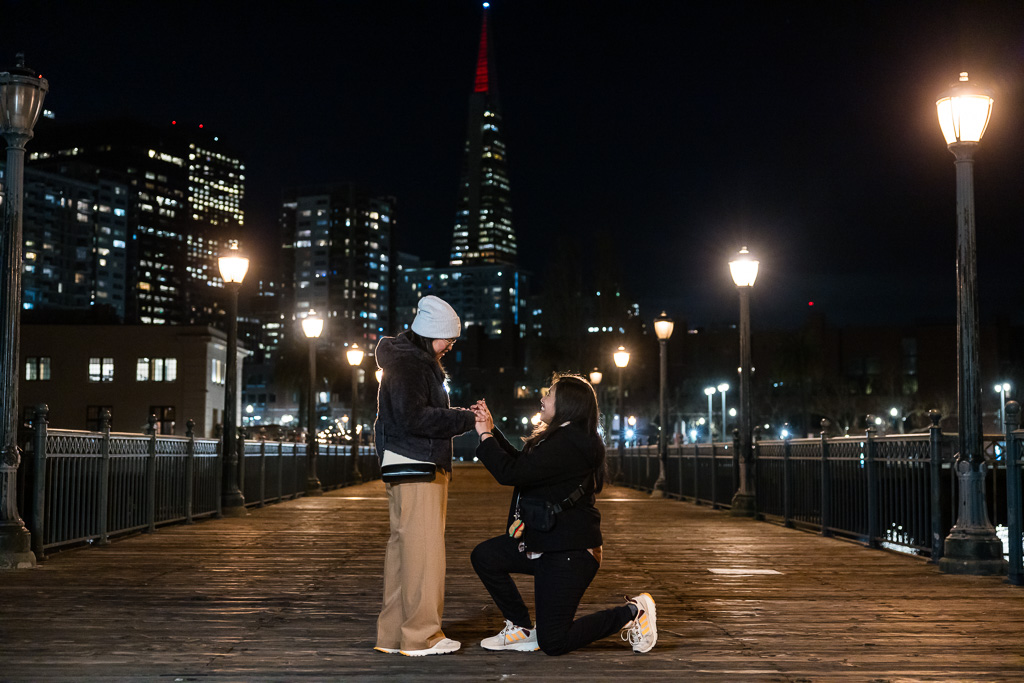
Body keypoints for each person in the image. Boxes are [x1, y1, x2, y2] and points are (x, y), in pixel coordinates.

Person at [469, 373, 658, 656]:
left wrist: (485, 434)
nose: (542, 399)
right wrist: (492, 431)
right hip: (547, 542)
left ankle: (634, 612)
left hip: (571, 552)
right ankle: (520, 627)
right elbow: (523, 465)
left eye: (549, 395)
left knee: (553, 642)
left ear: (567, 404)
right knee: (486, 556)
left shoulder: (570, 443)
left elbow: (511, 473)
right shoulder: (564, 438)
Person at [372, 295, 477, 657]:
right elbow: (415, 418)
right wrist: (466, 419)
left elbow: (408, 415)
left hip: (402, 463)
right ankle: (422, 636)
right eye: (449, 339)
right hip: (419, 465)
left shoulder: (402, 361)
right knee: (425, 553)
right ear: (432, 334)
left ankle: (392, 635)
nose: (451, 345)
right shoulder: (413, 365)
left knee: (403, 552)